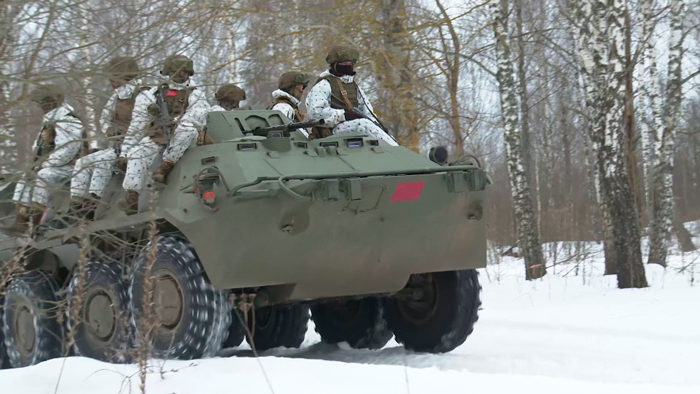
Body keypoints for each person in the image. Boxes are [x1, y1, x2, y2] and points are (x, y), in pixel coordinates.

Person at [119, 54, 209, 214]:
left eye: (183, 72)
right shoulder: (152, 95)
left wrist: (175, 121)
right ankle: (132, 198)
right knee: (137, 153)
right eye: (176, 72)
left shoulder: (196, 95)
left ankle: (165, 167)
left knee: (187, 130)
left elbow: (197, 117)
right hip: (160, 135)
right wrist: (125, 152)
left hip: (185, 136)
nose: (180, 76)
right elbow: (136, 126)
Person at [69, 57, 145, 218]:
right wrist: (112, 133)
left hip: (138, 146)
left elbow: (142, 124)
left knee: (102, 162)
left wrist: (126, 143)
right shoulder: (116, 97)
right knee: (83, 163)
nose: (111, 81)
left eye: (115, 77)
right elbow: (104, 119)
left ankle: (93, 203)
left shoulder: (143, 94)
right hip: (118, 145)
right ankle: (77, 205)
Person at [10, 85, 83, 232]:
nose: (41, 105)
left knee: (44, 175)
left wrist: (43, 165)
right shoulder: (49, 122)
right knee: (26, 176)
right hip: (53, 165)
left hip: (71, 167)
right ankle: (21, 218)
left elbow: (66, 152)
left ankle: (36, 219)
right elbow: (38, 150)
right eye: (40, 102)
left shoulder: (68, 121)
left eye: (44, 101)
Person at [304, 45, 397, 145]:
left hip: (352, 129)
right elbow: (316, 113)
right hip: (331, 130)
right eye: (344, 63)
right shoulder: (323, 85)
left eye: (350, 63)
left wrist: (379, 127)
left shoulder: (355, 87)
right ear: (335, 64)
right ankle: (397, 153)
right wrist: (344, 115)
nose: (348, 65)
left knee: (377, 129)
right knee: (364, 125)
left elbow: (368, 113)